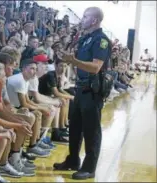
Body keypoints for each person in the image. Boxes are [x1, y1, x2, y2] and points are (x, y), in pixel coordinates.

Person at [53, 7, 112, 180]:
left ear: (94, 20)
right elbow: (78, 63)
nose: (82, 19)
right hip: (80, 88)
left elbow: (95, 67)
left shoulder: (101, 40)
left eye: (85, 17)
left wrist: (74, 61)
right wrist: (68, 59)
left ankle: (89, 167)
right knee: (75, 127)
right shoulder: (86, 38)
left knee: (91, 130)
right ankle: (73, 161)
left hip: (92, 90)